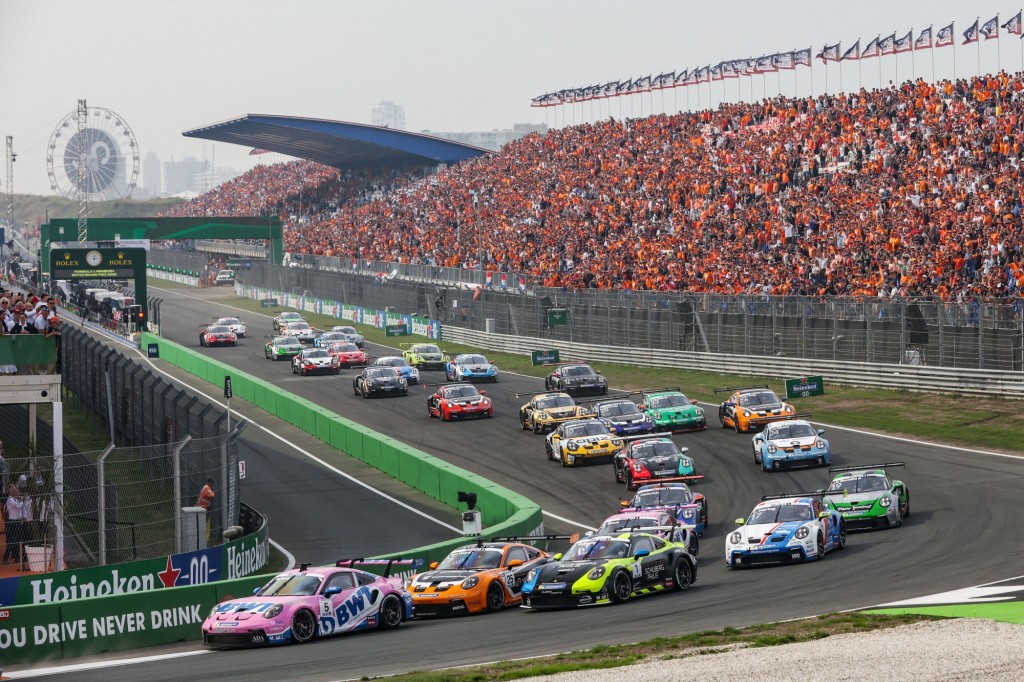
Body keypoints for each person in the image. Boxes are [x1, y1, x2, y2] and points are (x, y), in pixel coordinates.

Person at [197, 478, 215, 542]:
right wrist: (213, 492)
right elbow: (211, 495)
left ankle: (203, 538)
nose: (212, 485)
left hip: (202, 507)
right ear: (210, 483)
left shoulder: (205, 487)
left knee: (204, 523)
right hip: (203, 508)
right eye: (212, 483)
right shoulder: (207, 488)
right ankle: (203, 538)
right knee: (205, 523)